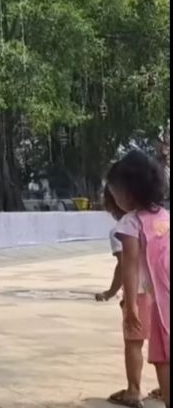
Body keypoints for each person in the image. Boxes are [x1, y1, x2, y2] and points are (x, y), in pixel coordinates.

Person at [107, 150, 171, 408]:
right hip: (165, 295)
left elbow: (130, 265)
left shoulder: (129, 223)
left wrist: (130, 303)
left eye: (115, 192)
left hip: (153, 301)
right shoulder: (165, 217)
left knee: (162, 357)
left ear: (128, 193)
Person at [97, 187, 161, 407]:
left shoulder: (123, 227)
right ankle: (165, 385)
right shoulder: (161, 218)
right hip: (161, 291)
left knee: (134, 342)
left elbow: (124, 265)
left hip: (140, 293)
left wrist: (117, 294)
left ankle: (133, 390)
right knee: (163, 341)